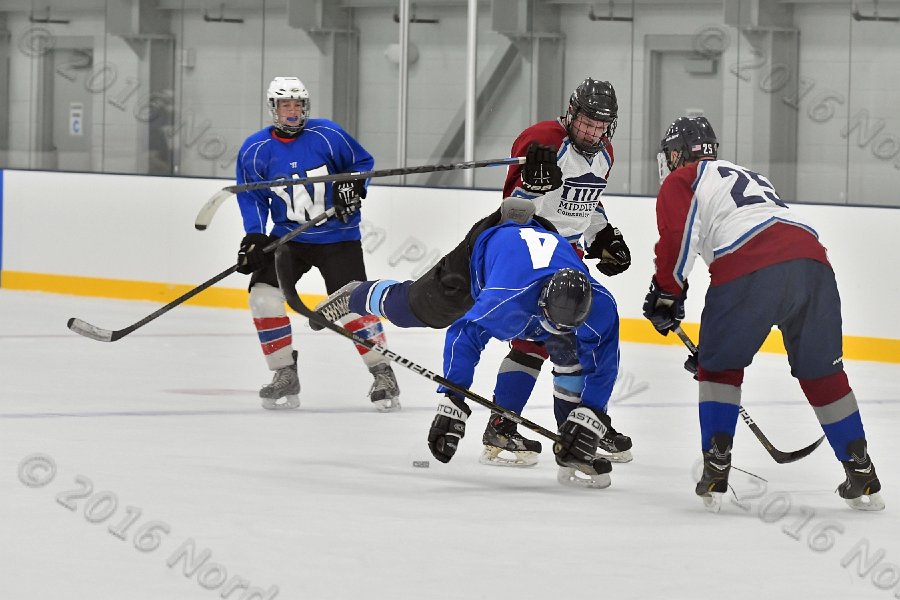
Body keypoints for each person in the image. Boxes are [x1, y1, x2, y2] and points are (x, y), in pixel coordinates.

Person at [643, 116, 884, 512]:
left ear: (674, 153)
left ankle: (717, 469)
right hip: (812, 264)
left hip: (750, 263)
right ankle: (862, 470)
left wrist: (667, 294)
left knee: (719, 369)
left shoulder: (681, 178)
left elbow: (678, 238)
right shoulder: (744, 174)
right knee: (823, 372)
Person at [306, 196, 621, 489]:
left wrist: (590, 416)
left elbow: (604, 362)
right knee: (416, 307)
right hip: (484, 248)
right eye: (550, 321)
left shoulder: (601, 304)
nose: (553, 330)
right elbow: (464, 333)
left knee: (569, 352)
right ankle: (357, 294)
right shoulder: (505, 300)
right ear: (541, 303)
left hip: (541, 242)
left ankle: (573, 442)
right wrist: (452, 401)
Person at [485, 77, 634, 466]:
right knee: (568, 339)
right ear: (572, 113)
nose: (591, 131)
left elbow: (588, 204)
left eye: (600, 125)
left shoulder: (606, 154)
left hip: (571, 256)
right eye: (586, 122)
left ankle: (553, 425)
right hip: (536, 251)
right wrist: (531, 187)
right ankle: (580, 427)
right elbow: (510, 211)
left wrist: (606, 235)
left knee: (548, 341)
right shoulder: (544, 139)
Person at [234, 76, 400, 412]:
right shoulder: (255, 150)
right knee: (263, 297)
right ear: (274, 108)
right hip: (288, 240)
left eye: (297, 105)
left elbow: (362, 163)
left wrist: (351, 188)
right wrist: (254, 236)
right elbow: (252, 198)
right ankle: (284, 373)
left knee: (353, 304)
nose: (292, 111)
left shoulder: (328, 134)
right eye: (285, 105)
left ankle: (383, 373)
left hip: (338, 238)